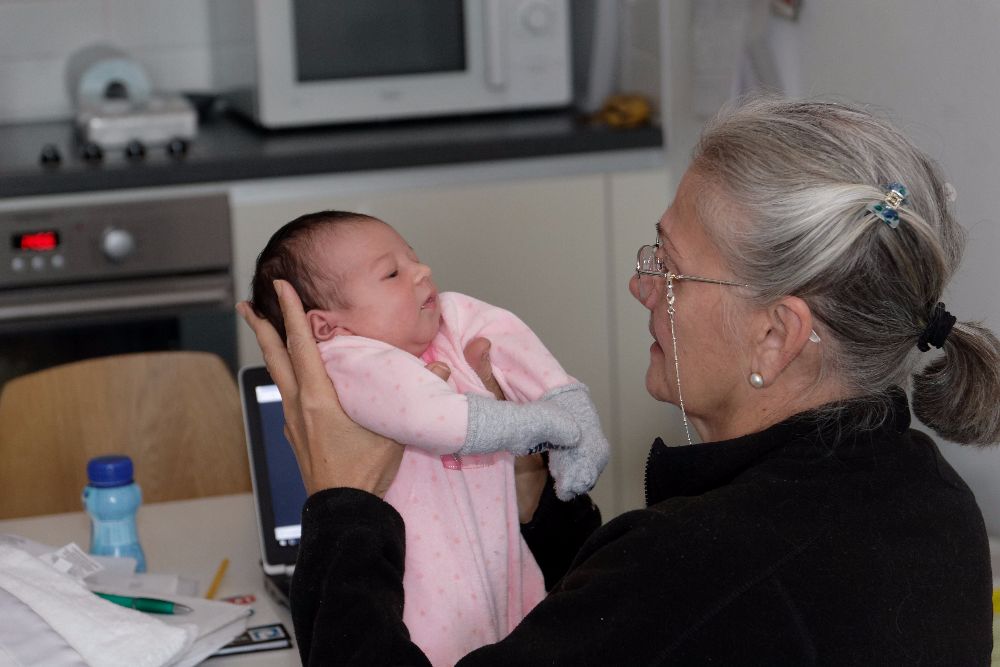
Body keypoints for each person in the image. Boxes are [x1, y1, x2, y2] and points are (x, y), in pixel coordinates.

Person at [238, 97, 1000, 665]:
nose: (642, 286)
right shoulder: (931, 499)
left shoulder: (700, 567)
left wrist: (342, 507)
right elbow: (619, 625)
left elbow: (664, 606)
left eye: (669, 266)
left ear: (777, 333)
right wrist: (538, 502)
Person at [248, 211, 609, 666]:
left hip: (507, 581)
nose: (422, 271)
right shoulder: (344, 362)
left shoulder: (448, 320)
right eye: (392, 273)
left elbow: (512, 340)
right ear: (326, 326)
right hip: (426, 612)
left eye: (413, 258)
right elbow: (435, 419)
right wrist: (536, 423)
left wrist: (569, 405)